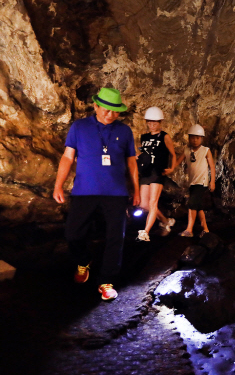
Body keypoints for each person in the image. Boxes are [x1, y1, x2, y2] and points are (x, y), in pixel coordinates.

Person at [53, 87, 140, 301]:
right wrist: (58, 185)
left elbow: (131, 162)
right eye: (106, 110)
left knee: (115, 238)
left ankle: (106, 281)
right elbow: (67, 157)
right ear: (96, 106)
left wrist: (137, 190)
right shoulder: (79, 127)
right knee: (73, 234)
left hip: (116, 193)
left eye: (115, 111)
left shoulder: (125, 131)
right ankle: (84, 261)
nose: (110, 115)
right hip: (84, 191)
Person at [136, 107, 177, 242]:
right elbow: (143, 154)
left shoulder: (164, 136)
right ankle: (165, 221)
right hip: (146, 172)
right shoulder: (144, 137)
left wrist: (172, 168)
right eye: (149, 122)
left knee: (153, 203)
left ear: (160, 122)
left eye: (155, 122)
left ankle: (145, 232)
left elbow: (173, 154)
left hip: (157, 172)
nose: (152, 125)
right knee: (144, 204)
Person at [175, 124, 216, 237]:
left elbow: (212, 166)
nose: (195, 140)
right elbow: (177, 162)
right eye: (192, 137)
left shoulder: (206, 150)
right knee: (198, 206)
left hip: (202, 182)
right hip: (192, 182)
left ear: (201, 138)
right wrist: (169, 169)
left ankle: (189, 230)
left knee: (192, 204)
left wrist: (212, 181)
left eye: (197, 137)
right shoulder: (187, 150)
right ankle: (206, 230)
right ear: (189, 138)